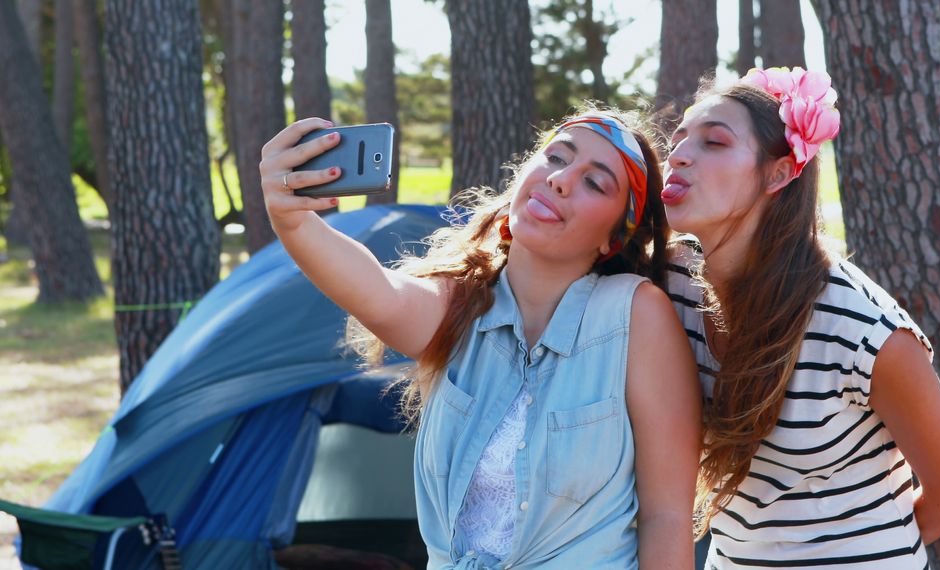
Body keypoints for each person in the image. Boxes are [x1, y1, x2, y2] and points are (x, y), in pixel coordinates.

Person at [259, 109, 701, 569]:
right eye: (555, 157)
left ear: (615, 237)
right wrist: (292, 220)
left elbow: (666, 515)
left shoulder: (634, 312)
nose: (561, 179)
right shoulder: (461, 305)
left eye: (595, 183)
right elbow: (381, 293)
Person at [660, 67, 940, 568]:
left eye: (714, 143)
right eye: (679, 138)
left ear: (780, 172)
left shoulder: (860, 329)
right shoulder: (671, 286)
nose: (678, 155)